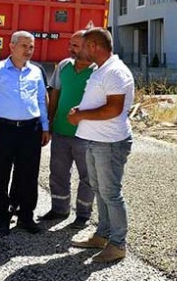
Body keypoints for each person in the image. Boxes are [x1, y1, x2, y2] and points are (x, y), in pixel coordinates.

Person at [69, 28, 134, 263]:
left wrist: (80, 115)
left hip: (110, 143)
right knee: (100, 190)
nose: (80, 50)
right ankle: (103, 234)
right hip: (96, 141)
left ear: (94, 46)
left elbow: (113, 109)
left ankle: (118, 244)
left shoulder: (115, 72)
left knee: (111, 193)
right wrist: (81, 113)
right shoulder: (101, 69)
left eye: (83, 45)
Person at [0, 31, 50, 236]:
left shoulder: (36, 72)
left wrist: (45, 127)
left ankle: (26, 215)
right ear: (11, 47)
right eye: (24, 46)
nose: (28, 50)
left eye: (31, 47)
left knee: (28, 173)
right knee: (0, 172)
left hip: (31, 129)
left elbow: (40, 101)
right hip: (3, 128)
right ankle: (1, 216)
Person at [39, 31, 95, 229]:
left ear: (90, 47)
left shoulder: (99, 70)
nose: (70, 49)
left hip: (87, 135)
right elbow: (55, 94)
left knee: (88, 176)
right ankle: (59, 208)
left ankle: (83, 214)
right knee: (58, 172)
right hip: (62, 132)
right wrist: (50, 122)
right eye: (70, 44)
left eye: (76, 46)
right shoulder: (63, 66)